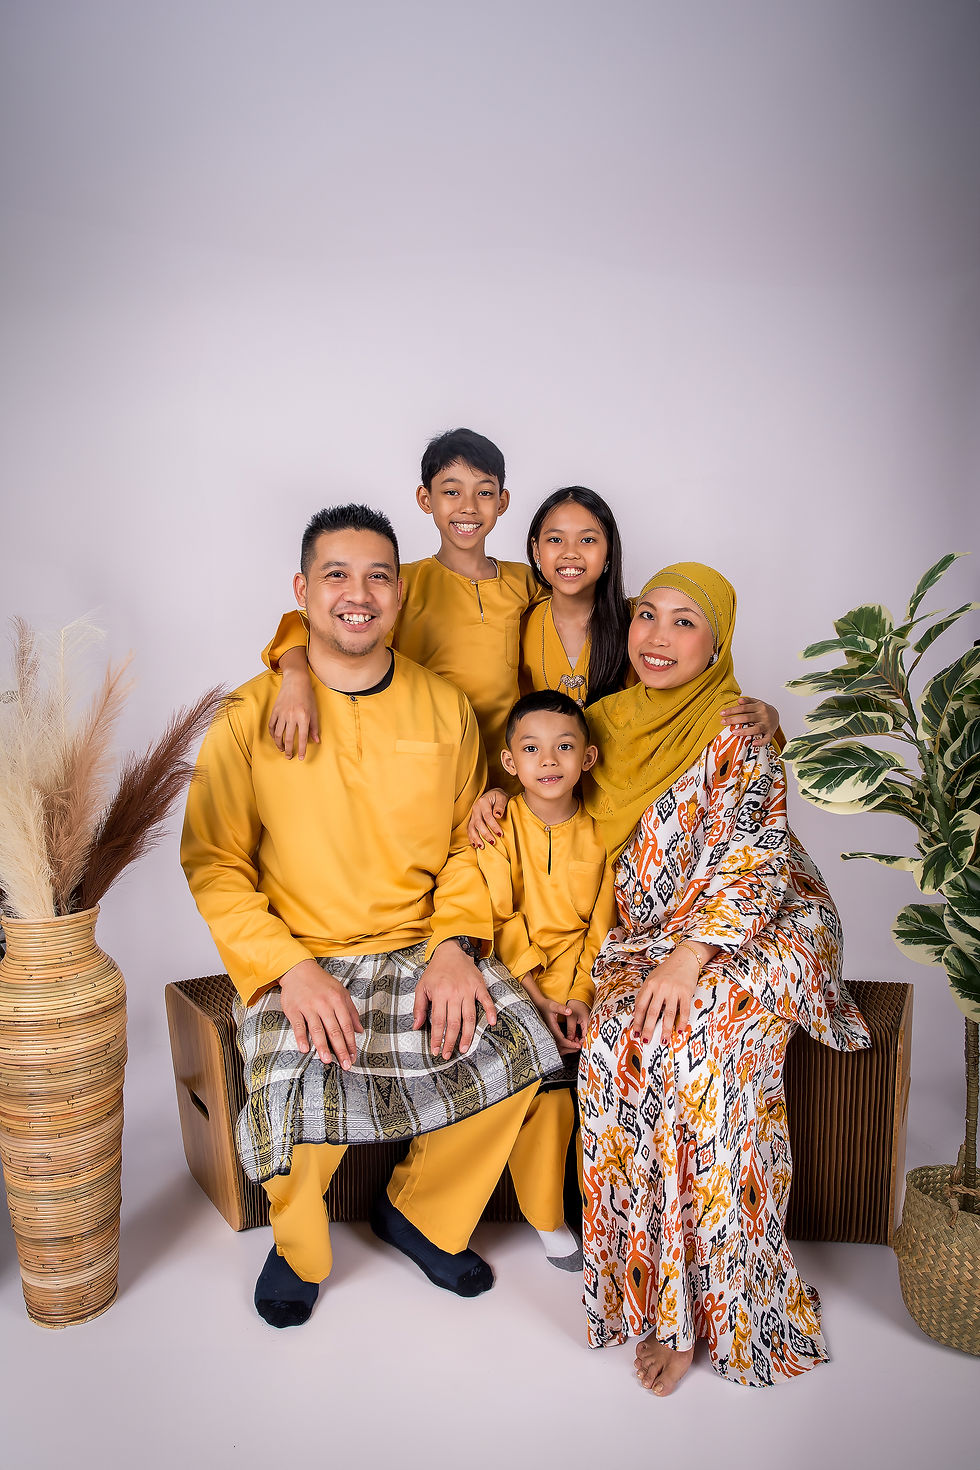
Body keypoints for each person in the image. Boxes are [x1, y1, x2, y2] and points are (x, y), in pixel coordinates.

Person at [180, 503, 560, 1329]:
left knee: (523, 1045)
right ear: (302, 592)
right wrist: (289, 970)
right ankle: (299, 1249)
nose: (359, 594)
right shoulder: (248, 715)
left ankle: (421, 1212)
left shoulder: (444, 707)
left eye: (378, 576)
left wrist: (456, 946)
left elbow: (467, 844)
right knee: (289, 1088)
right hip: (302, 954)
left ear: (399, 593)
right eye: (337, 576)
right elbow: (214, 862)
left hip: (420, 945)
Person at [578, 562, 869, 1392]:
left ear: (717, 644)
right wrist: (492, 802)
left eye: (685, 622)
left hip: (768, 922)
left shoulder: (739, 727)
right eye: (648, 615)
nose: (658, 637)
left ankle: (729, 1304)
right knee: (613, 1045)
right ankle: (654, 1296)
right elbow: (539, 783)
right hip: (652, 935)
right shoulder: (601, 725)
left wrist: (692, 956)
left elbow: (755, 860)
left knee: (702, 1047)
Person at [264, 428, 538, 788]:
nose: (469, 506)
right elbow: (312, 627)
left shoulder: (525, 582)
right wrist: (295, 677)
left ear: (502, 501)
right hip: (426, 761)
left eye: (484, 492)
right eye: (451, 491)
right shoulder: (396, 583)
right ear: (426, 499)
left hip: (514, 771)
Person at [475, 690, 617, 1269]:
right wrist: (537, 999)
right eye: (532, 749)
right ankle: (545, 1216)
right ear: (510, 762)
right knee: (544, 1084)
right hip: (511, 977)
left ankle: (614, 1212)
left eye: (564, 746)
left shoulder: (605, 833)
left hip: (584, 984)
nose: (549, 760)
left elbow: (601, 927)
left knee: (609, 1073)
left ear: (589, 757)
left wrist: (578, 998)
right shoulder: (498, 825)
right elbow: (500, 917)